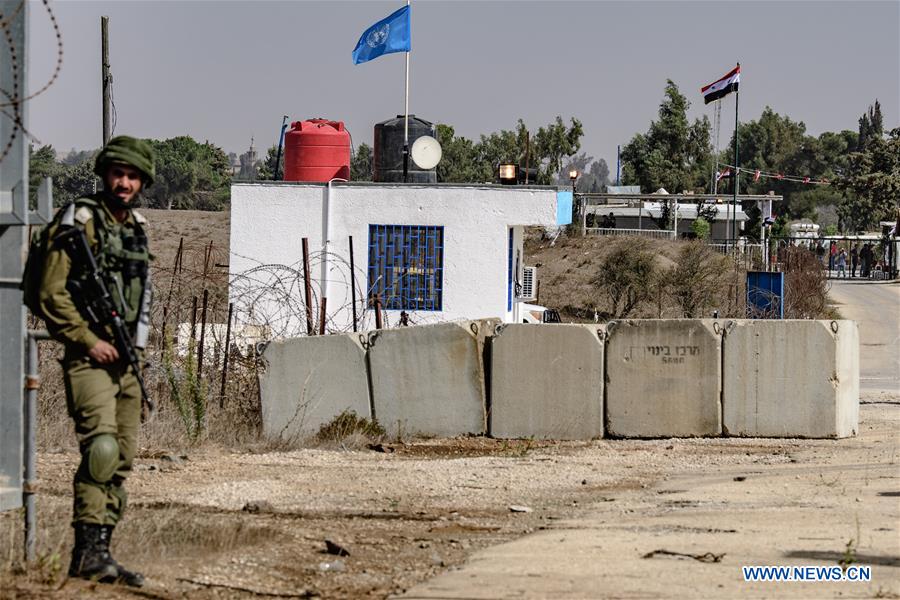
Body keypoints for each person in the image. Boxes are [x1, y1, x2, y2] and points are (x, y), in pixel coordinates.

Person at [38, 136, 155, 587]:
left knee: (122, 457)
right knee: (101, 449)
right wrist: (88, 341)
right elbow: (49, 292)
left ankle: (102, 553)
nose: (124, 183)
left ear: (142, 182)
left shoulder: (137, 226)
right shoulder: (79, 219)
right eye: (117, 173)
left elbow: (141, 298)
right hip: (89, 358)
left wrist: (137, 356)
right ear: (105, 174)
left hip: (127, 359)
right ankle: (84, 552)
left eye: (132, 176)